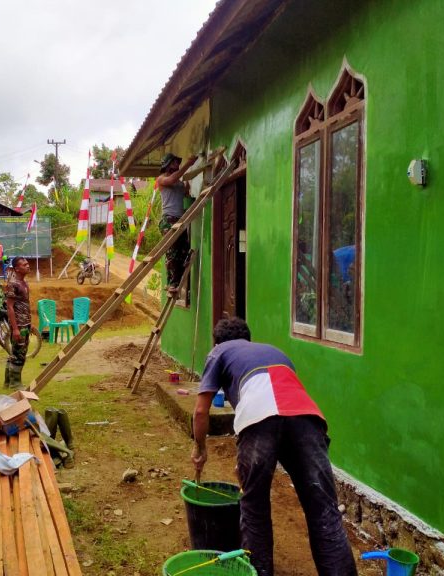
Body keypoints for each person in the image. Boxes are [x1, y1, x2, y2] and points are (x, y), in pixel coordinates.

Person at [191, 317, 357, 576]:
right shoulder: (277, 353)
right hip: (307, 419)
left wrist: (200, 448)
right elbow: (283, 412)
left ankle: (259, 572)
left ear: (217, 341)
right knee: (324, 511)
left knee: (254, 507)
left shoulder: (219, 351)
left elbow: (201, 412)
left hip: (260, 418)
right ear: (248, 337)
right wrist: (245, 459)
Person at [157, 152, 198, 294]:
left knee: (183, 251)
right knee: (173, 252)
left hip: (179, 220)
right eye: (175, 163)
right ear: (167, 164)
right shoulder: (162, 179)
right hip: (168, 220)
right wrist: (189, 164)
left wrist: (190, 183)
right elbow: (172, 180)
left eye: (178, 163)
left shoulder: (179, 182)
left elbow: (184, 192)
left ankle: (176, 282)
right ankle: (172, 284)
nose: (177, 165)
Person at [4, 256, 31, 390]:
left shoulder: (24, 283)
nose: (28, 266)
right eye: (24, 264)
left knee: (15, 353)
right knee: (19, 354)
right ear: (17, 268)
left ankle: (8, 382)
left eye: (27, 263)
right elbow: (9, 307)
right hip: (18, 324)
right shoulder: (13, 284)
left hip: (24, 323)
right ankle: (15, 383)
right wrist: (15, 329)